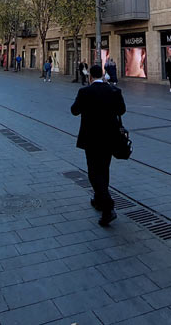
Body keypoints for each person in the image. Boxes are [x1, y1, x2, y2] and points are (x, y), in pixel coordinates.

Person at [70, 63, 126, 227]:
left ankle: (107, 206)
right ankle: (99, 199)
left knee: (94, 172)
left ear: (90, 77)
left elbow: (74, 110)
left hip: (91, 138)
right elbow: (122, 110)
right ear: (102, 75)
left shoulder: (85, 91)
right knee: (104, 169)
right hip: (110, 137)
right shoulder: (114, 91)